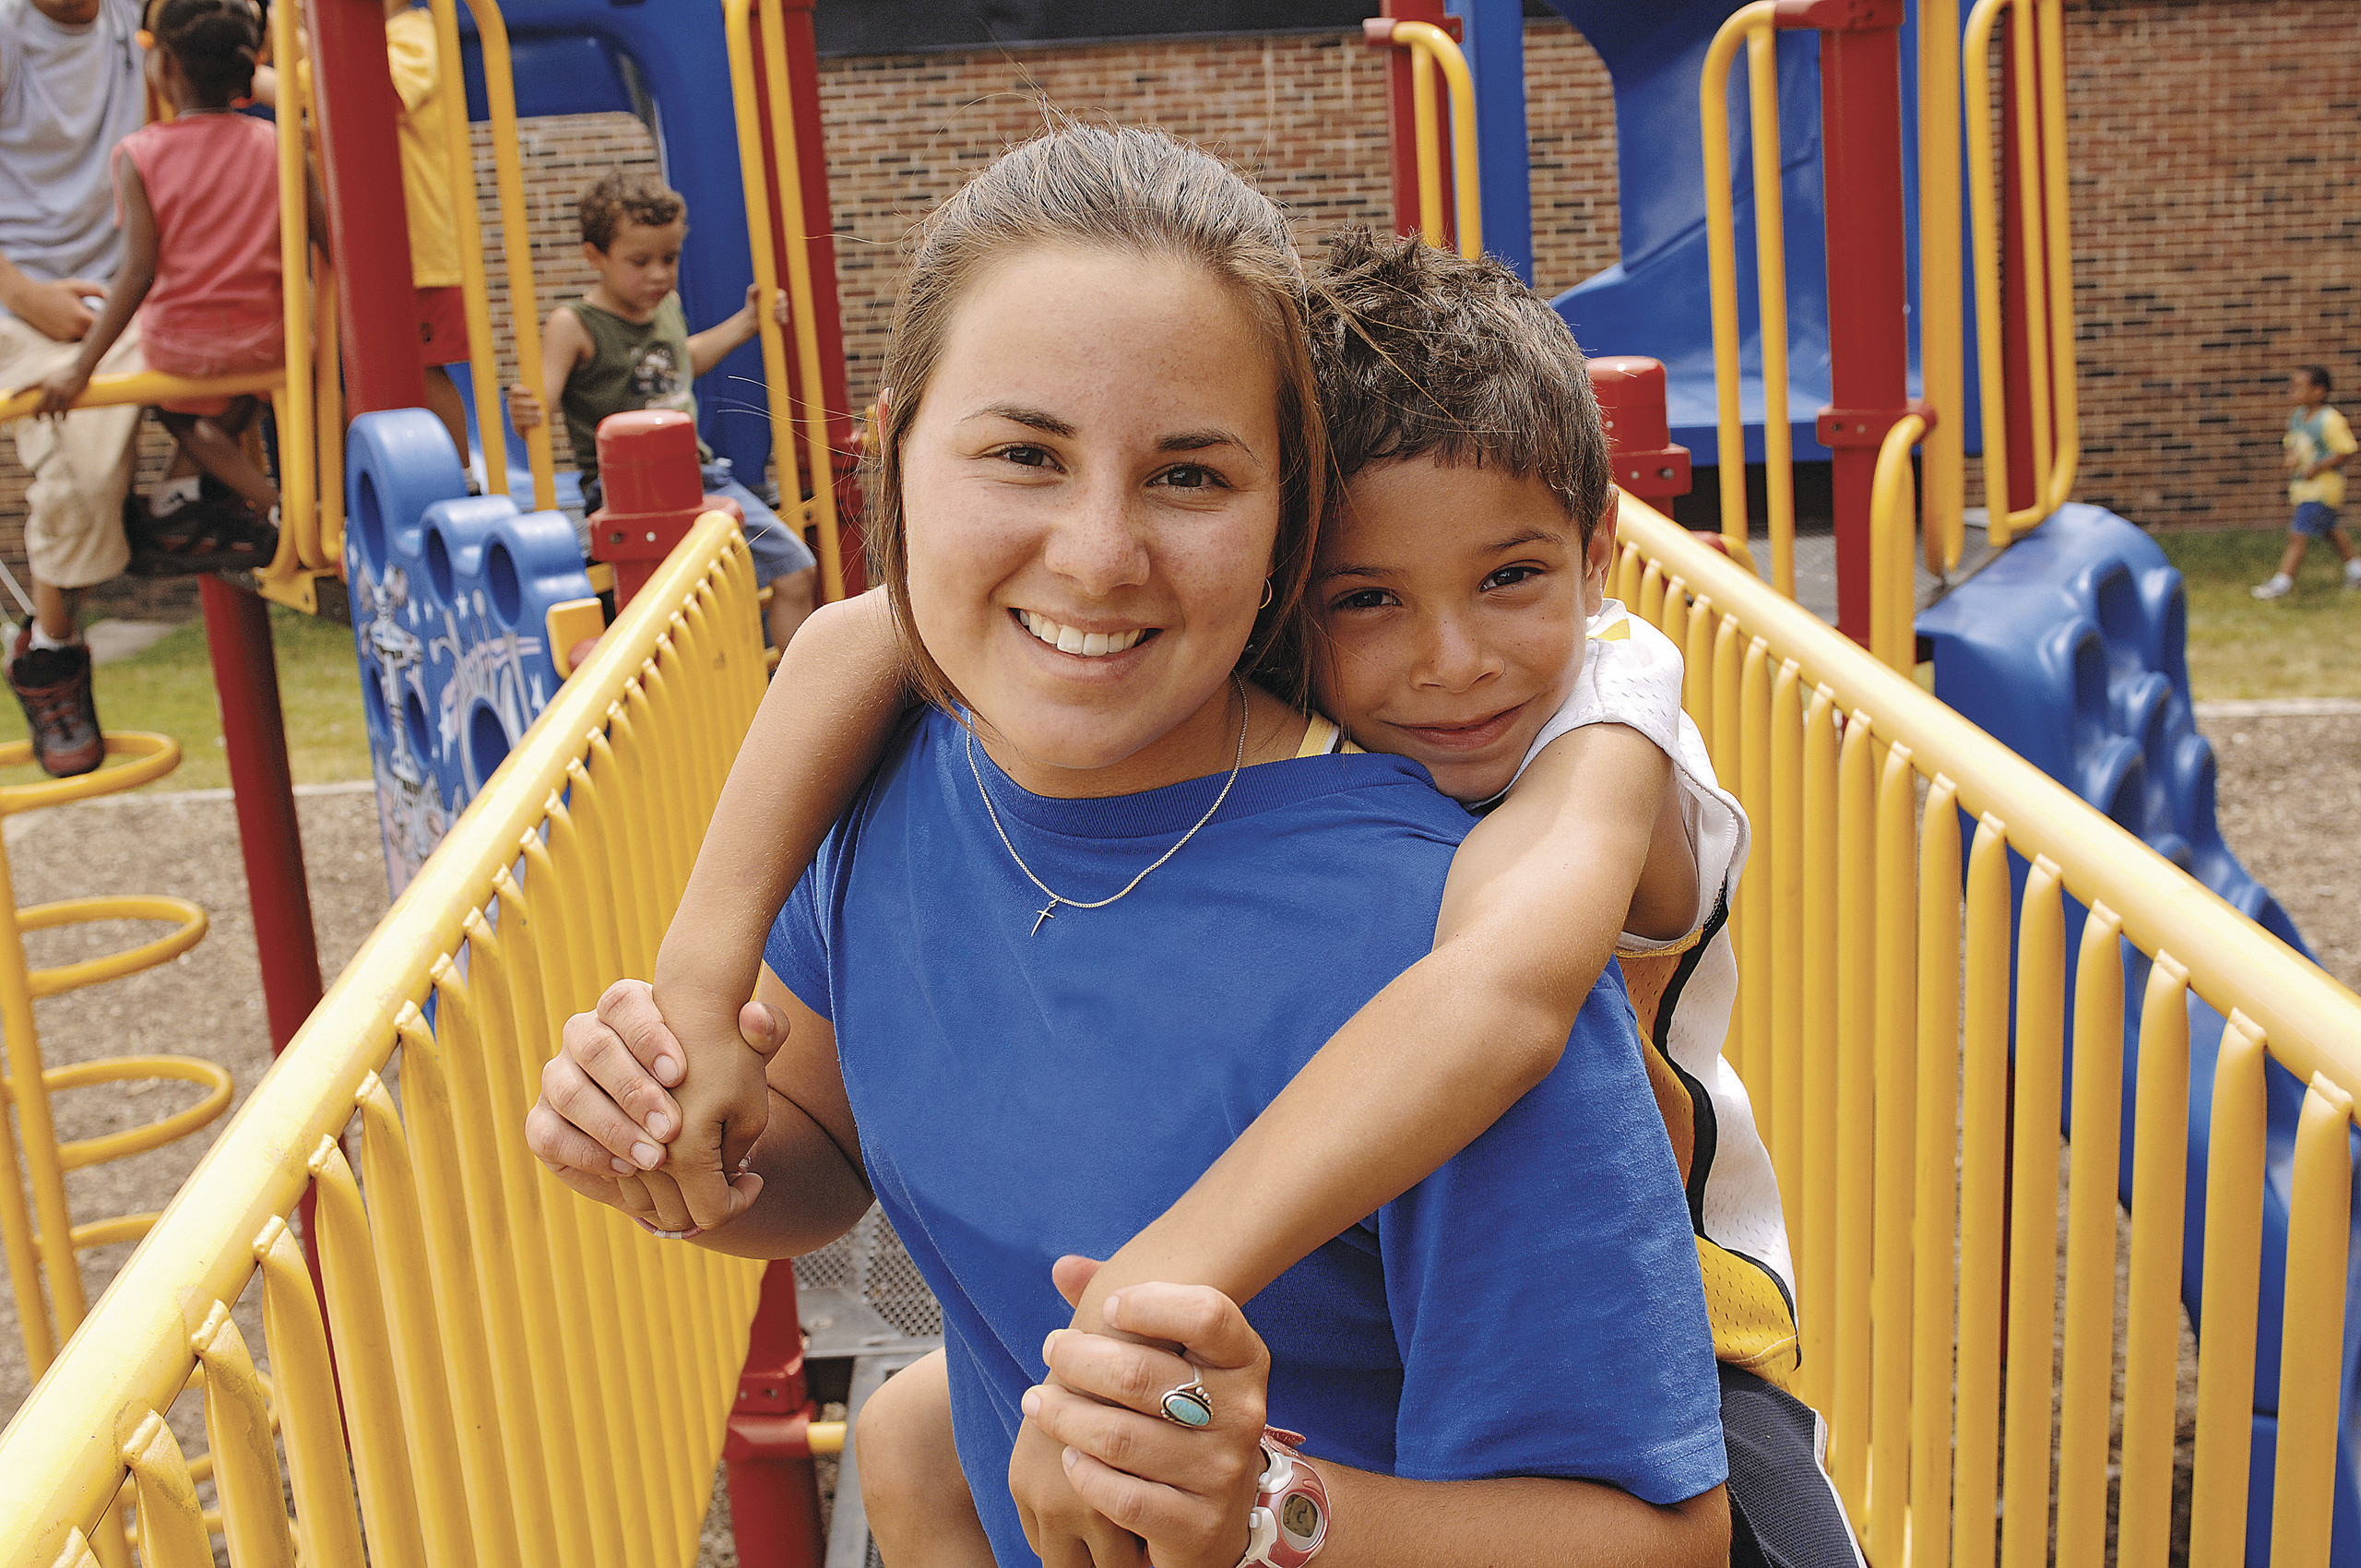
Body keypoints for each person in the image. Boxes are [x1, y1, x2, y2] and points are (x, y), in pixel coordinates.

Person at [528, 124, 1735, 1567]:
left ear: (1284, 513)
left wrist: (1268, 1515)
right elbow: (826, 1163)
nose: (1099, 554)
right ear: (891, 448)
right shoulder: (896, 769)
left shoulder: (1440, 921)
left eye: (1189, 478)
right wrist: (673, 1137)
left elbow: (1659, 1542)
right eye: (1024, 453)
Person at [31, 0, 325, 564]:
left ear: (163, 66)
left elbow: (137, 273)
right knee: (252, 385)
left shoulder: (140, 155)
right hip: (272, 340)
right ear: (246, 70)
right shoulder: (276, 146)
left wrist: (81, 367)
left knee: (169, 404)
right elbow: (326, 236)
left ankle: (276, 505)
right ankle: (189, 493)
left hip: (182, 350)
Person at [505, 169, 818, 649]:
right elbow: (542, 401)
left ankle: (792, 701)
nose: (658, 273)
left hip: (698, 476)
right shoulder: (575, 324)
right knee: (665, 611)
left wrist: (746, 323)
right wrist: (527, 407)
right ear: (596, 257)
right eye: (639, 261)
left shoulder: (666, 305)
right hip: (623, 490)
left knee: (796, 570)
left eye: (669, 258)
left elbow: (680, 362)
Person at [0, 0, 155, 775]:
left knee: (245, 344)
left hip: (124, 283)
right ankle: (51, 653)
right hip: (18, 292)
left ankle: (197, 498)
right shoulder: (7, 30)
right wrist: (27, 296)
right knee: (79, 468)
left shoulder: (128, 16)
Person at [252, 0, 472, 463]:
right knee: (349, 371)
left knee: (423, 369)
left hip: (413, 245)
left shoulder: (416, 32)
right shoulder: (338, 46)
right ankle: (369, 480)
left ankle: (458, 478)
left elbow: (373, 87)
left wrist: (262, 81)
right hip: (357, 246)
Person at [2252, 364, 2361, 600]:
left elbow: (2347, 450)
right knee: (2331, 530)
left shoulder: (2330, 419)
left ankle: (2281, 584)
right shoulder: (2297, 418)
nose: (2293, 391)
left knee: (2297, 534)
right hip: (2304, 487)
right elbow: (2294, 445)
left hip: (2323, 489)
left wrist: (2319, 466)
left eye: (2300, 387)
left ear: (2319, 391)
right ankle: (2357, 570)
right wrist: (2292, 459)